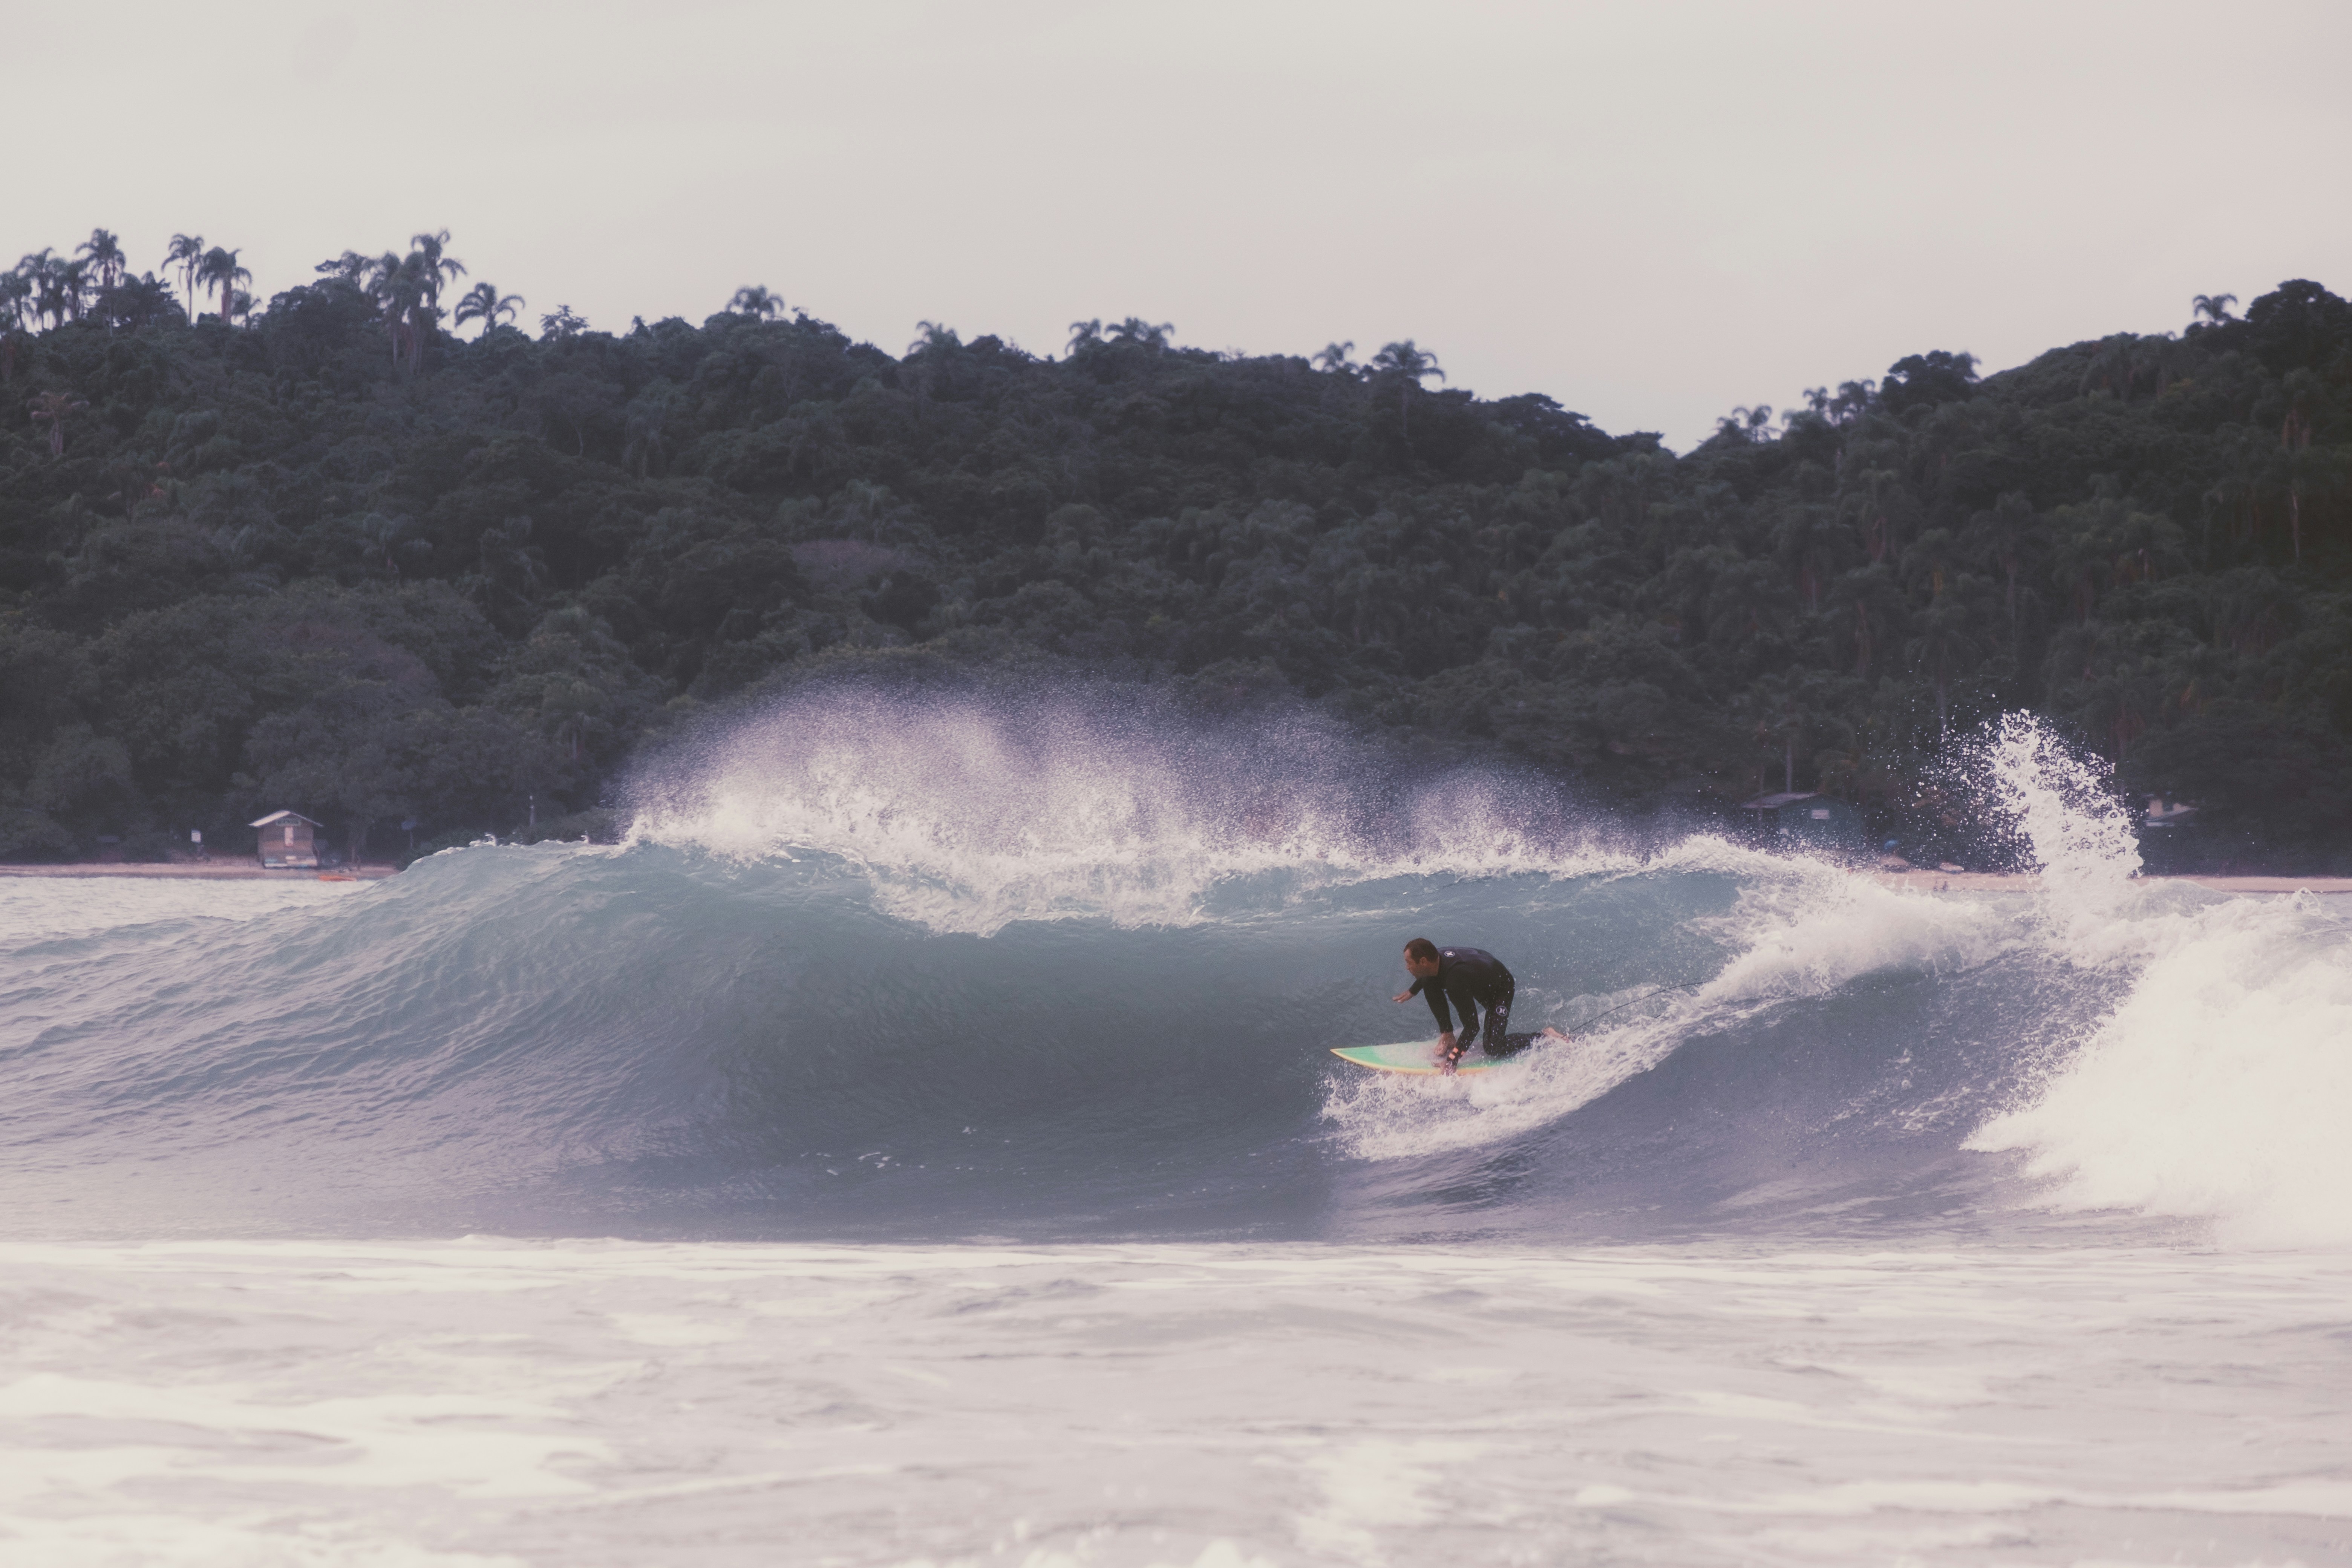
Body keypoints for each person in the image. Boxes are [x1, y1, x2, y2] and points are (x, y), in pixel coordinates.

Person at [1392, 937, 1568, 1071]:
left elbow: (1472, 1027)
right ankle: (1448, 1035)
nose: (1407, 967)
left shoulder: (1455, 981)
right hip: (1477, 974)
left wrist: (1452, 1060)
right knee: (1429, 982)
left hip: (1500, 988)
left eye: (1409, 963)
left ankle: (1544, 1036)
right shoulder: (1436, 957)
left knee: (1493, 1047)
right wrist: (1414, 990)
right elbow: (1427, 975)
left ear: (1423, 961)